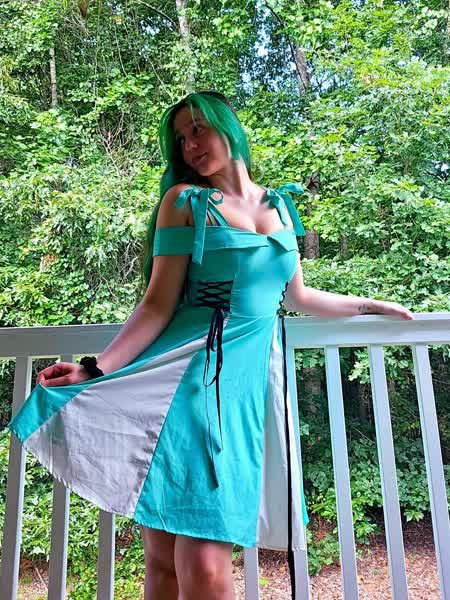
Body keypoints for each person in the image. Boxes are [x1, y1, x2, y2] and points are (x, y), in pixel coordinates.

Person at [7, 90, 413, 600]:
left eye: (198, 129)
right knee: (179, 560)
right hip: (184, 387)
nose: (190, 145)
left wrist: (370, 305)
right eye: (181, 139)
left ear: (229, 126)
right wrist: (95, 368)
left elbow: (298, 296)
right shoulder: (184, 202)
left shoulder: (279, 205)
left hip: (241, 395)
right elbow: (157, 305)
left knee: (176, 559)